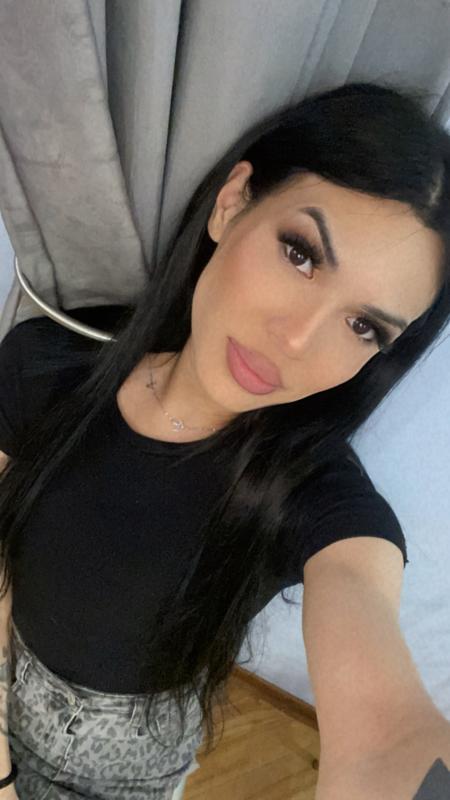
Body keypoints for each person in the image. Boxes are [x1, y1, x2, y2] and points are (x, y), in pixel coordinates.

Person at [0, 80, 449, 799]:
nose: (297, 339)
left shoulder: (315, 496)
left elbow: (387, 734)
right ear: (233, 202)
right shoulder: (44, 363)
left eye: (363, 326)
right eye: (301, 253)